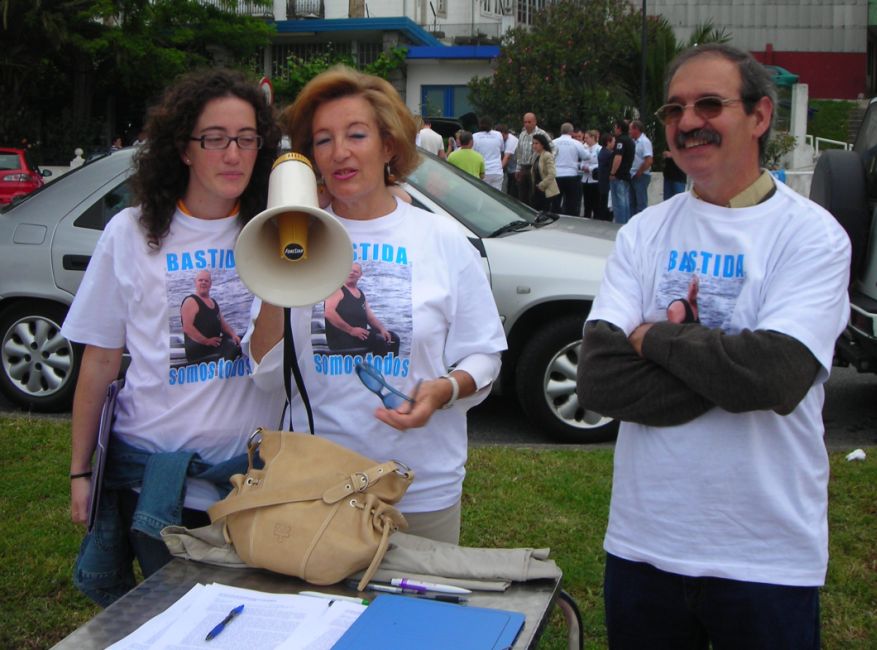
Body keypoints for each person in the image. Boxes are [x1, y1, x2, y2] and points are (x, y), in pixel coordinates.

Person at [576, 43, 851, 649]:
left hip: (766, 557)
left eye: (709, 104)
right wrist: (729, 366)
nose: (688, 122)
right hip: (645, 546)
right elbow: (598, 380)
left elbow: (776, 377)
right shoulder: (643, 232)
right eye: (674, 109)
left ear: (759, 116)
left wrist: (652, 337)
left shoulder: (813, 237)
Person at [247, 66, 506, 545]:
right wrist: (276, 264)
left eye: (356, 134)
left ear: (389, 146)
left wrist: (445, 390)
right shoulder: (293, 237)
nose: (339, 152)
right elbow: (266, 375)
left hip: (419, 488)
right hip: (312, 487)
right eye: (323, 140)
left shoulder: (442, 239)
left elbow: (484, 354)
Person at [62, 68, 284, 607]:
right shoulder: (131, 233)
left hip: (251, 482)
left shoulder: (279, 230)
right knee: (169, 620)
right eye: (215, 139)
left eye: (247, 138)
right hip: (155, 482)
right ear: (183, 149)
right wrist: (80, 471)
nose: (233, 154)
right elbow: (100, 359)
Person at [324, 262, 400, 355]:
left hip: (359, 335)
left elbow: (370, 318)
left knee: (393, 338)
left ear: (360, 275)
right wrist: (351, 330)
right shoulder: (337, 290)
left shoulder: (360, 293)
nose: (351, 273)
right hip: (341, 337)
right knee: (379, 340)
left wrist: (382, 329)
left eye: (355, 271)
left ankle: (389, 364)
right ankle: (377, 364)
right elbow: (329, 313)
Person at [181, 269, 242, 363]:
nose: (203, 283)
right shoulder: (191, 301)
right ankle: (226, 370)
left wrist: (233, 335)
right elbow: (187, 328)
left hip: (213, 345)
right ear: (195, 282)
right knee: (231, 346)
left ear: (210, 284)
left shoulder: (213, 302)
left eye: (206, 281)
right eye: (200, 280)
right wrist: (207, 341)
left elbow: (223, 325)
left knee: (240, 339)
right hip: (199, 350)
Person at [552, 122, 588, 216]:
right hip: (571, 175)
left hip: (556, 174)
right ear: (572, 132)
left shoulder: (553, 142)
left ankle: (555, 219)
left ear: (561, 131)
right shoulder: (576, 143)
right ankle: (569, 219)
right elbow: (586, 156)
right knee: (571, 203)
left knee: (555, 202)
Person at [515, 112, 548, 207]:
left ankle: (535, 213)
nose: (527, 124)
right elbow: (519, 152)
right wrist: (518, 168)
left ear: (535, 122)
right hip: (524, 168)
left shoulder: (541, 133)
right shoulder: (522, 134)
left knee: (535, 195)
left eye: (529, 122)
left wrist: (544, 161)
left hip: (536, 168)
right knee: (523, 195)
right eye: (525, 122)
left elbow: (553, 149)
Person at [608, 119, 634, 224]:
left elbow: (618, 157)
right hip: (625, 175)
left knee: (619, 203)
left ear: (619, 128)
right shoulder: (630, 141)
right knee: (625, 201)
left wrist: (612, 173)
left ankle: (619, 224)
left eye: (615, 127)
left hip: (618, 176)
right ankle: (626, 223)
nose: (614, 129)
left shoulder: (621, 141)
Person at [472, 116, 504, 191]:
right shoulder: (498, 135)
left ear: (480, 125)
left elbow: (473, 153)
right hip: (496, 171)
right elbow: (502, 149)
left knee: (482, 194)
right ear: (491, 125)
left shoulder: (475, 136)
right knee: (496, 195)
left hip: (482, 172)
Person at [628, 119, 653, 215]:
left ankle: (641, 222)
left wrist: (640, 171)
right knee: (632, 203)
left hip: (641, 175)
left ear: (636, 129)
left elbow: (649, 160)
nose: (629, 132)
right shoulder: (633, 142)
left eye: (630, 129)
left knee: (640, 203)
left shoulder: (644, 142)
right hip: (632, 174)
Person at [530, 132, 559, 211]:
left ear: (542, 144)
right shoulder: (536, 155)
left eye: (536, 143)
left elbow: (552, 173)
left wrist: (542, 184)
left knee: (545, 212)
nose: (534, 145)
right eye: (533, 143)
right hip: (537, 189)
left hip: (546, 190)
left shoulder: (547, 155)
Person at [580, 130, 601, 219]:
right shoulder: (585, 149)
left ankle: (596, 219)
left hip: (594, 180)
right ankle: (586, 218)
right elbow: (582, 161)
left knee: (596, 203)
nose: (585, 140)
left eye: (587, 138)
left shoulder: (599, 149)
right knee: (587, 203)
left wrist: (590, 168)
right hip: (585, 179)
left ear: (593, 138)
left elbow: (600, 164)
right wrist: (582, 167)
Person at [595, 132, 615, 221]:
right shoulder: (608, 154)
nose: (614, 144)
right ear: (608, 142)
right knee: (606, 204)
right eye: (613, 142)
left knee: (603, 202)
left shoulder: (602, 152)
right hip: (606, 182)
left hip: (602, 182)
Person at [497, 124, 519, 197]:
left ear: (504, 133)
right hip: (510, 169)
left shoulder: (511, 141)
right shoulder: (503, 140)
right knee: (508, 190)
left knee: (512, 193)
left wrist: (498, 169)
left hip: (516, 170)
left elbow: (506, 157)